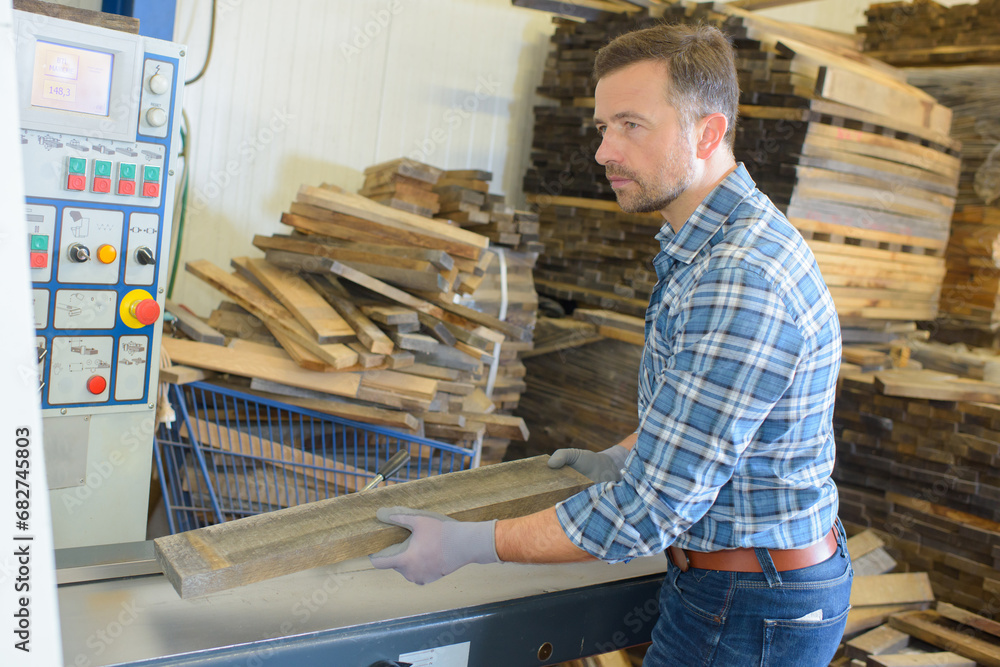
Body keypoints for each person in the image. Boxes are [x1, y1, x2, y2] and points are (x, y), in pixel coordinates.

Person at [370, 23, 852, 666]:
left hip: (747, 606)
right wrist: (625, 455)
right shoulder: (711, 243)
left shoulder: (739, 277)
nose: (603, 151)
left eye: (631, 125)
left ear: (707, 133)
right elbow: (708, 415)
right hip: (738, 582)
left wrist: (469, 545)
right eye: (603, 127)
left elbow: (647, 514)